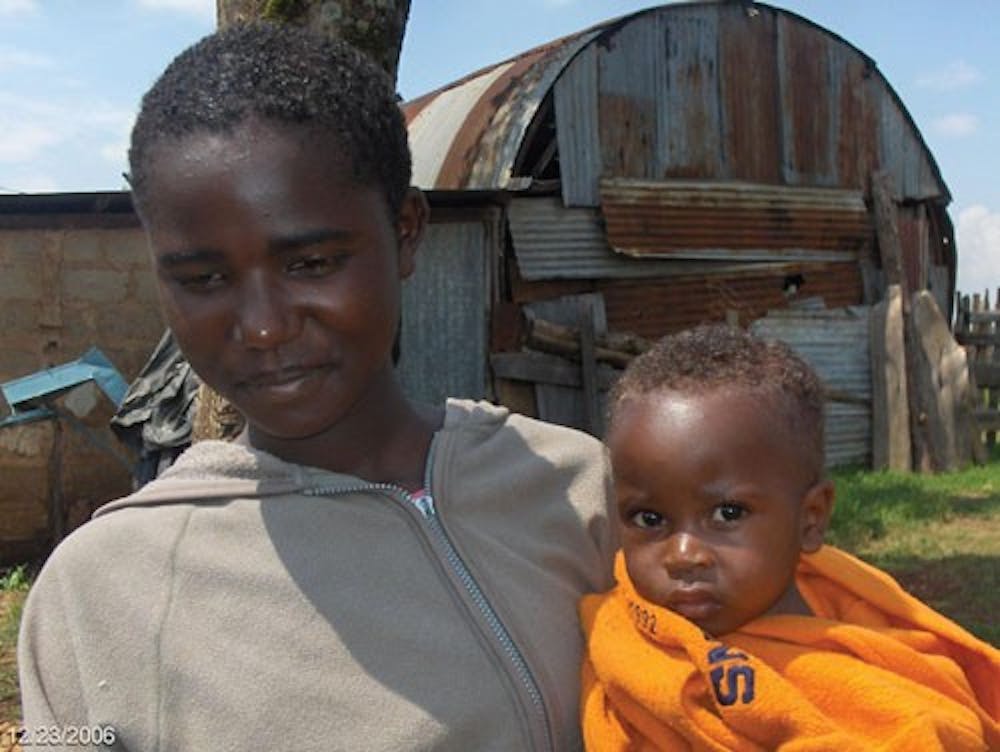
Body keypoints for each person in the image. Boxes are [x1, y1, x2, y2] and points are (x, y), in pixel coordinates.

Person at [18, 23, 616, 751]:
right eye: (203, 279)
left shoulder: (581, 493)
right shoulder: (102, 590)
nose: (264, 326)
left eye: (311, 264)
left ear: (406, 231)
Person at [580, 324, 1000, 750]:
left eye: (727, 513)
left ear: (811, 519)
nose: (683, 555)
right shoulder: (624, 643)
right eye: (649, 518)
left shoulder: (879, 657)